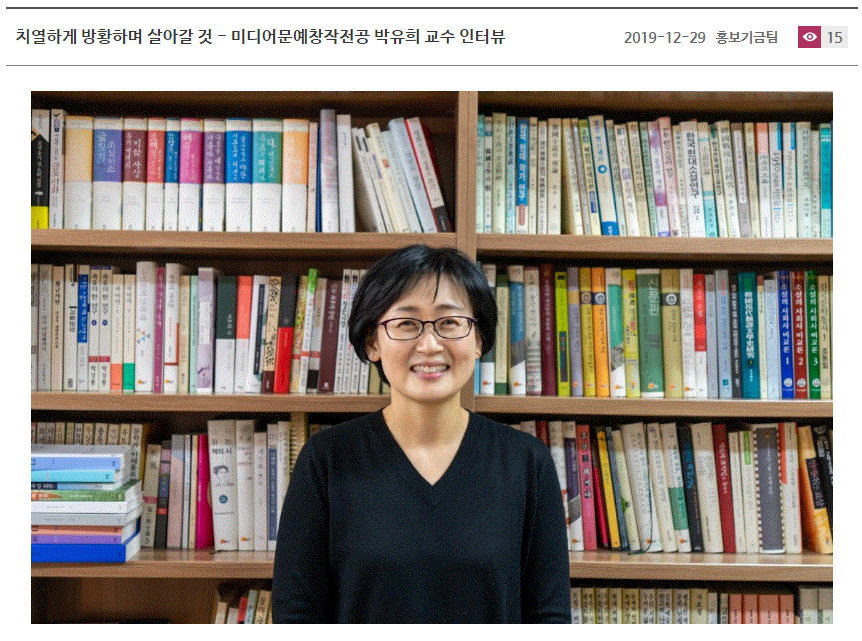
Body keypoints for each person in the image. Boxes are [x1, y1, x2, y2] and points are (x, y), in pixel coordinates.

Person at [271, 244, 570, 623]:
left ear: (479, 339)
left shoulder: (527, 462)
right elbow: (296, 617)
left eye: (450, 322)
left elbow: (549, 618)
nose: (429, 345)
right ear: (372, 342)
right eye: (406, 324)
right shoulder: (327, 460)